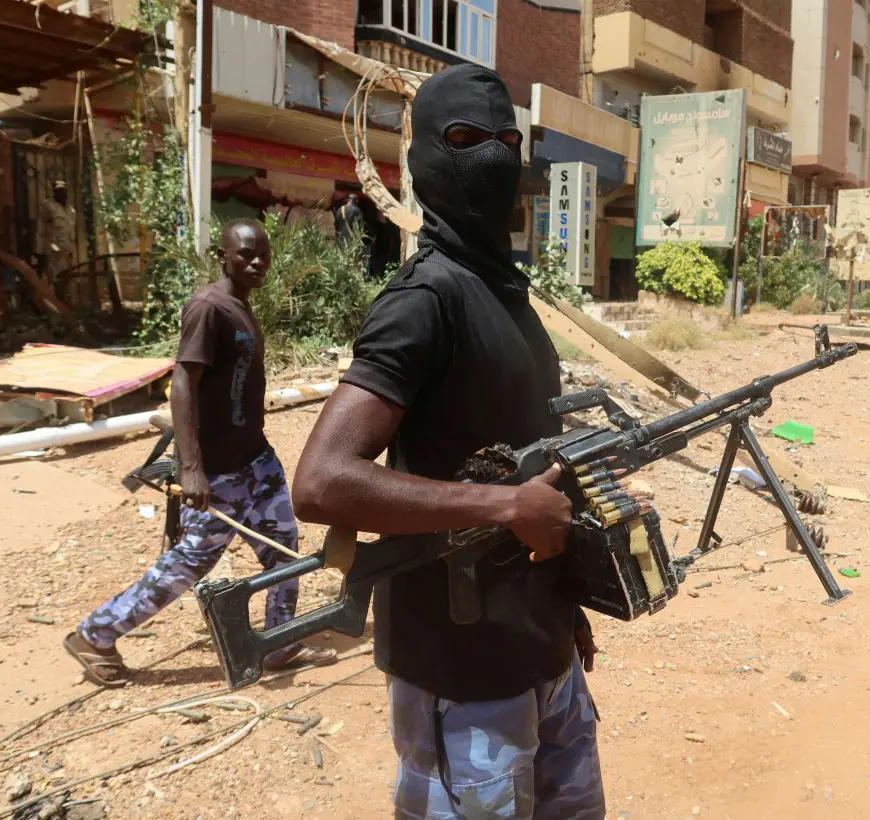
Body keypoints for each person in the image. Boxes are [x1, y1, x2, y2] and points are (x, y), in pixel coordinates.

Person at [292, 65, 604, 819]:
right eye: (466, 139)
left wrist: (569, 604)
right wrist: (505, 507)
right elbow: (322, 481)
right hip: (460, 669)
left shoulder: (506, 294)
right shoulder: (425, 299)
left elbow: (535, 471)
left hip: (542, 650)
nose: (493, 157)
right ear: (427, 159)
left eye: (508, 140)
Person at [63, 219, 337, 686]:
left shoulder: (240, 307)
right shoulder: (208, 308)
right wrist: (191, 469)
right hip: (219, 472)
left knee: (283, 550)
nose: (256, 262)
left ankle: (279, 641)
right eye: (245, 254)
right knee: (189, 563)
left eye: (263, 255)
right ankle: (94, 635)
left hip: (256, 461)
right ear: (223, 256)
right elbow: (183, 385)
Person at [35, 181, 77, 290]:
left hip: (68, 253)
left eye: (63, 190)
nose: (61, 193)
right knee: (53, 282)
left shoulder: (71, 210)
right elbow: (41, 230)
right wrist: (40, 252)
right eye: (58, 191)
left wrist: (72, 252)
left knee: (66, 282)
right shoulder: (47, 206)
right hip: (53, 254)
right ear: (54, 192)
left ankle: (64, 304)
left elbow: (71, 232)